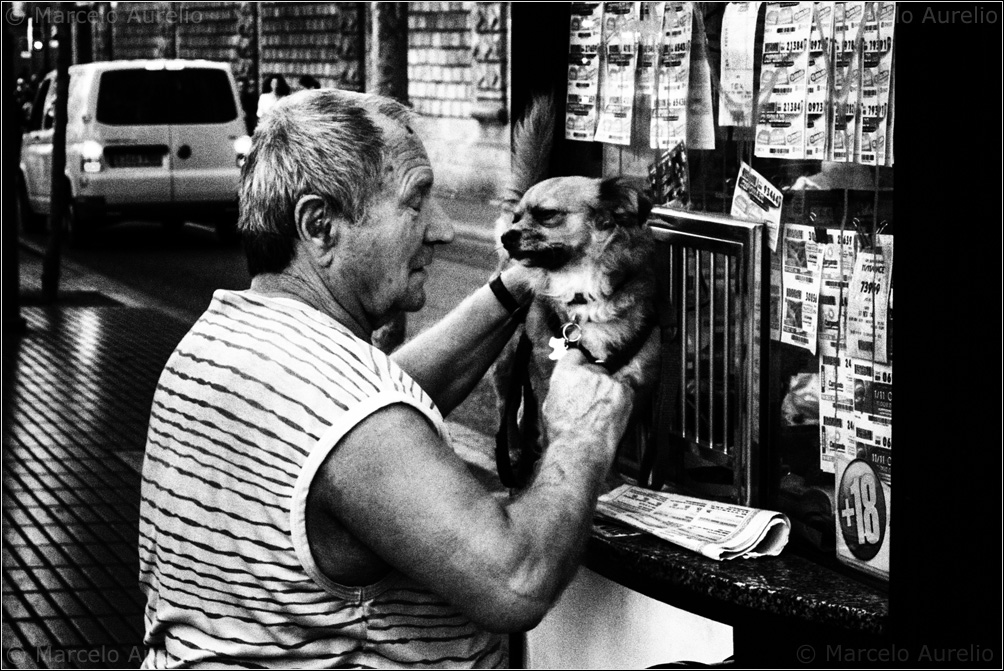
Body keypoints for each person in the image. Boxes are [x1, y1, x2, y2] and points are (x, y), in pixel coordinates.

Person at [137, 89, 635, 668]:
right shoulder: (347, 413)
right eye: (416, 202)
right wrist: (583, 437)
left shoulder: (226, 342)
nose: (443, 230)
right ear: (320, 225)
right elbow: (515, 580)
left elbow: (385, 400)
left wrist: (509, 289)